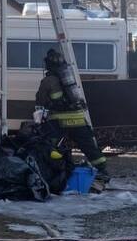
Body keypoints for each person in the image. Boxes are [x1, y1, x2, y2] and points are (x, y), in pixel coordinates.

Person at [37, 49, 109, 191]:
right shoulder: (70, 77)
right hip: (78, 119)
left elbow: (40, 100)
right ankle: (103, 172)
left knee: (51, 148)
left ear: (48, 65)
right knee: (90, 148)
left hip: (58, 121)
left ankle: (54, 174)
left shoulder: (48, 81)